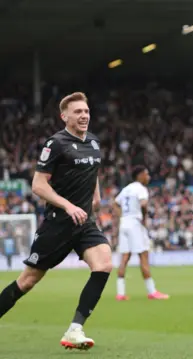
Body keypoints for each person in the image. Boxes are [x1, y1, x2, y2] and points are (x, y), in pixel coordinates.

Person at [0, 92, 112, 351]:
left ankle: (75, 329)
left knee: (104, 263)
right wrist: (68, 205)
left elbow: (93, 170)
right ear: (65, 116)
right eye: (77, 112)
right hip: (57, 224)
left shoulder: (94, 142)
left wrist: (95, 197)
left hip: (84, 223)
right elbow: (38, 185)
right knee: (27, 281)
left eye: (86, 111)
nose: (84, 116)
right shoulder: (56, 143)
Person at [113, 166, 169, 300]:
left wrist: (122, 216)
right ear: (140, 175)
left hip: (124, 223)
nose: (148, 177)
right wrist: (144, 218)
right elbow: (143, 204)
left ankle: (120, 293)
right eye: (146, 174)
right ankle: (152, 291)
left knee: (124, 258)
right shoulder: (141, 189)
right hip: (135, 223)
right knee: (143, 255)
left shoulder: (126, 189)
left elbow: (115, 203)